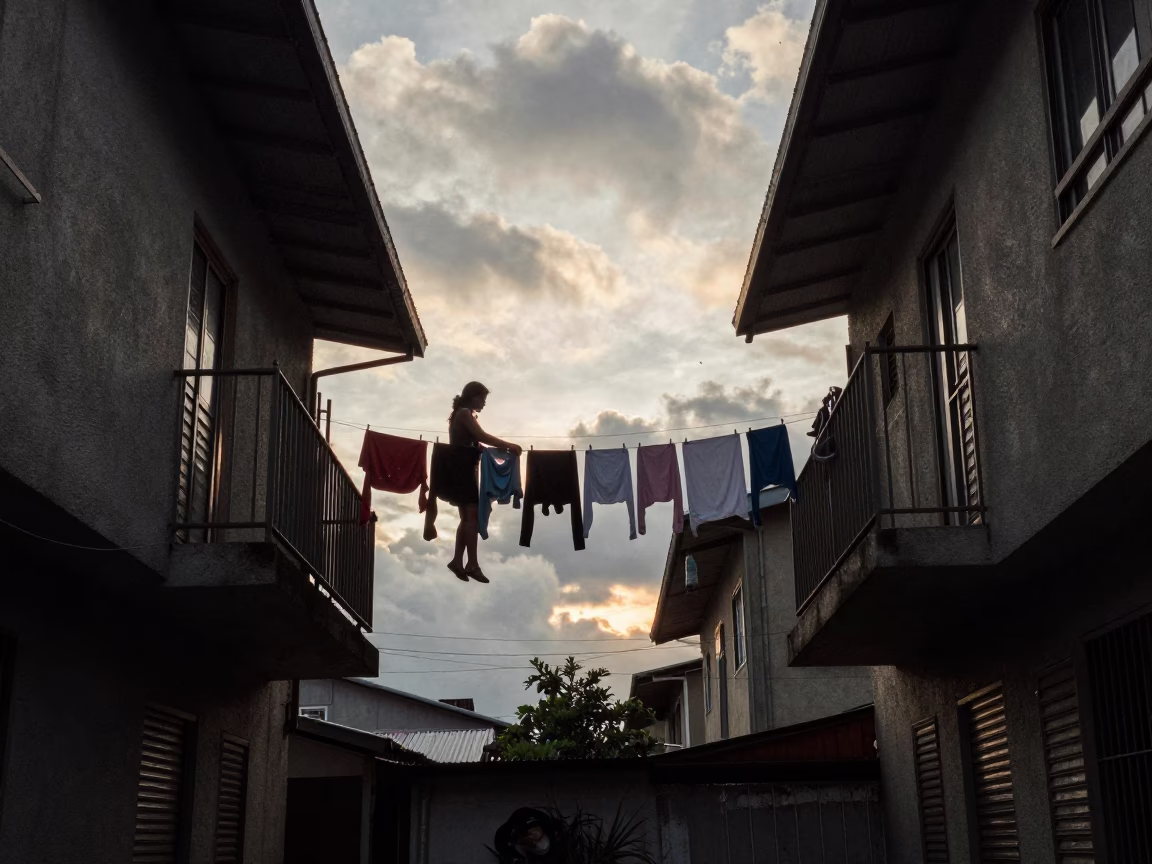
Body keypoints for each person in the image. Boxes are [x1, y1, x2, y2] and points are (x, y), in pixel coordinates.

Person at [447, 381, 521, 584]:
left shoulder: (464, 414)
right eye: (483, 399)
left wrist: (482, 448)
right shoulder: (464, 413)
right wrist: (508, 445)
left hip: (464, 468)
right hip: (462, 470)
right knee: (471, 517)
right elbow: (481, 435)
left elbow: (474, 440)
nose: (484, 404)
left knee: (466, 518)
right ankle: (472, 564)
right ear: (473, 396)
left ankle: (457, 561)